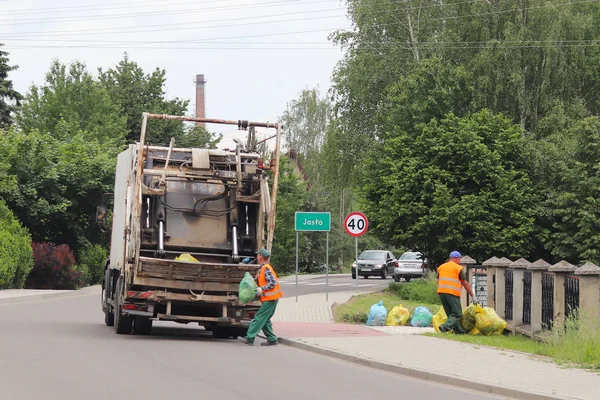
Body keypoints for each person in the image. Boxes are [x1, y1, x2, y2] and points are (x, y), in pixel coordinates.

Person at [238, 248, 282, 346]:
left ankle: (249, 338)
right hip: (270, 298)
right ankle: (272, 339)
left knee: (259, 317)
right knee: (265, 319)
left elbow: (272, 282)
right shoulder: (263, 268)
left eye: (258, 255)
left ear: (261, 257)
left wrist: (262, 289)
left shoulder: (266, 268)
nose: (257, 256)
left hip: (270, 299)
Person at [437, 250, 478, 334]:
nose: (460, 261)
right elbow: (465, 283)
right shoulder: (458, 268)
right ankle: (444, 327)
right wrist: (473, 296)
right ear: (457, 259)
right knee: (457, 314)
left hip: (441, 292)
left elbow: (438, 279)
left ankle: (459, 332)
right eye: (459, 259)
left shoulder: (441, 267)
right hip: (452, 293)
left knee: (451, 314)